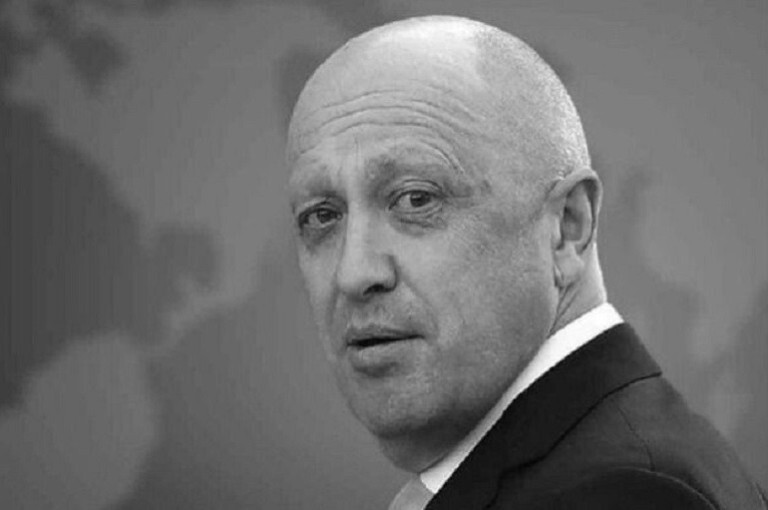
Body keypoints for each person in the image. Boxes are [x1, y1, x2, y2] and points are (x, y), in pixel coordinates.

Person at [285, 15, 766, 510]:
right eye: (322, 216)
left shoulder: (624, 493)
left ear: (568, 227)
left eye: (416, 199)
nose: (354, 273)